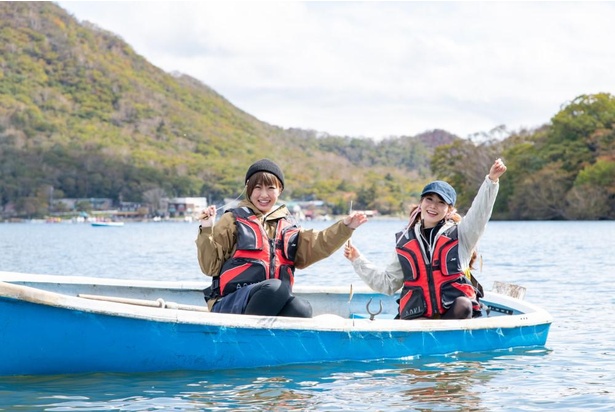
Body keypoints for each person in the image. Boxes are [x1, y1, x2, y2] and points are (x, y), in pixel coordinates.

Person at [196, 158, 367, 318]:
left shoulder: (288, 225)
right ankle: (246, 339)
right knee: (276, 287)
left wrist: (346, 227)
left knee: (302, 309)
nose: (264, 195)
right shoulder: (231, 220)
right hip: (230, 302)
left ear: (280, 190)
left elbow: (319, 243)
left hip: (272, 299)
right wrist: (206, 228)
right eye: (258, 188)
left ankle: (267, 344)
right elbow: (210, 267)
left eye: (271, 188)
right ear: (248, 189)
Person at [344, 158, 507, 320]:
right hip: (418, 319)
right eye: (429, 199)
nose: (433, 206)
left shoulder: (463, 234)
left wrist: (491, 181)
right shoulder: (405, 241)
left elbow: (480, 213)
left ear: (449, 210)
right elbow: (387, 284)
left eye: (441, 202)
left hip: (453, 318)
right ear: (421, 202)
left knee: (464, 304)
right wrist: (357, 260)